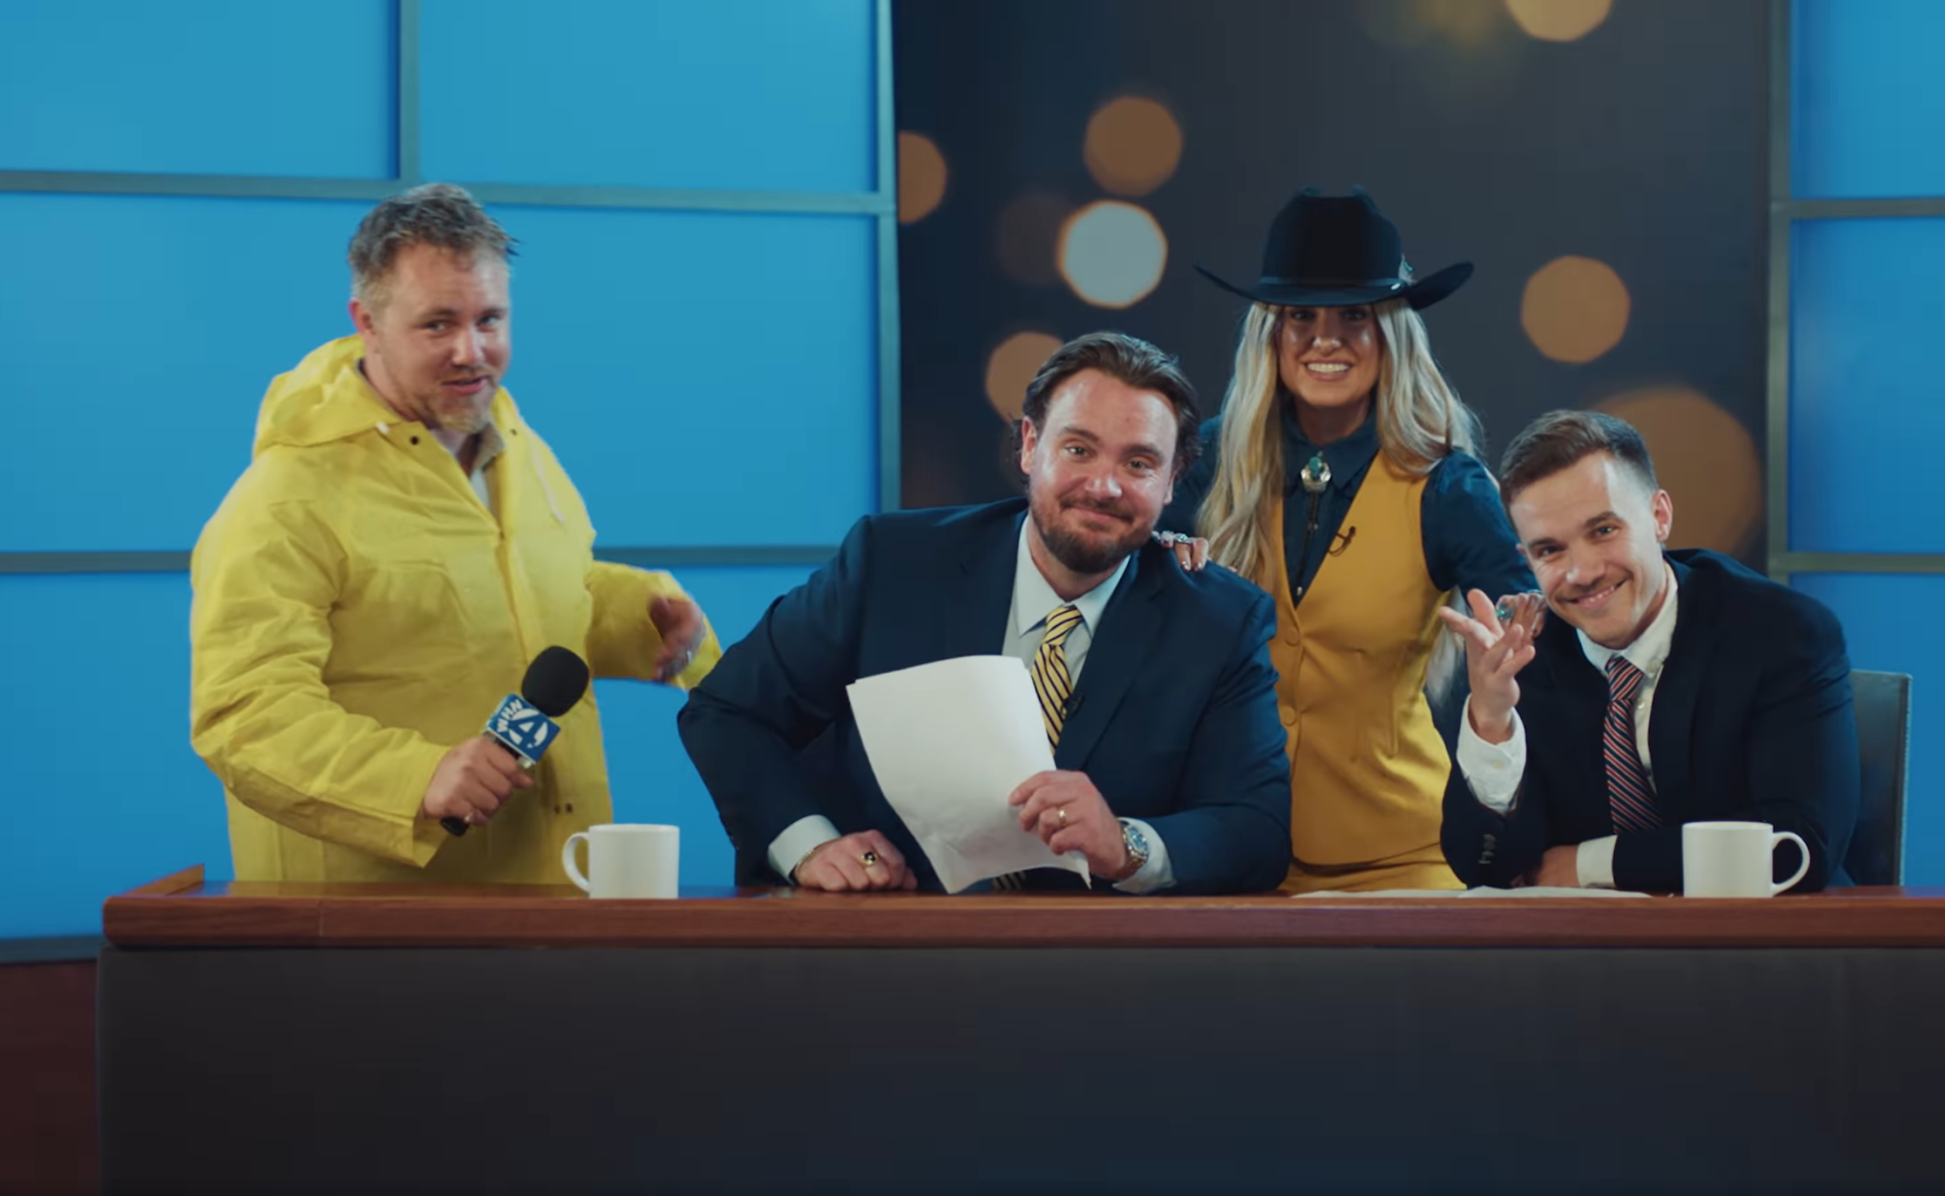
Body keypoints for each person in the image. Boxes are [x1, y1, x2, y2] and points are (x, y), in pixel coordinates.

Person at [190, 183, 718, 883]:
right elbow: (245, 717)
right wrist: (417, 778)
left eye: (490, 320)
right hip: (371, 934)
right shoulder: (285, 498)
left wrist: (639, 618)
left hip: (549, 891)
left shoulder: (517, 445)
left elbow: (529, 593)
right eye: (438, 324)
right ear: (367, 323)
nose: (472, 352)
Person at [676, 332, 1291, 894]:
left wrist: (1127, 847)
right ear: (1029, 445)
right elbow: (728, 711)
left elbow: (1256, 829)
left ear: (1174, 479)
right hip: (886, 947)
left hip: (1104, 970)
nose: (1104, 486)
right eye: (1078, 449)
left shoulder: (1218, 623)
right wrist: (810, 847)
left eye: (1138, 463)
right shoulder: (891, 565)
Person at [1164, 187, 1535, 893]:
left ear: (1389, 332)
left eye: (1353, 316)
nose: (1324, 338)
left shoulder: (1447, 485)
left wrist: (1506, 665)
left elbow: (1529, 633)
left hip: (1404, 855)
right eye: (1300, 315)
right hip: (1228, 848)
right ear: (1268, 333)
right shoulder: (1204, 465)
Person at [1438, 410, 1858, 893]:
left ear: (1659, 517)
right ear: (1527, 560)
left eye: (1603, 531)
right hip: (1592, 960)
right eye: (1550, 550)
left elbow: (1800, 846)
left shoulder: (1781, 633)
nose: (1583, 572)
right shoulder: (1525, 655)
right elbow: (1485, 869)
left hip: (1770, 949)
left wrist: (1589, 865)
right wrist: (1492, 723)